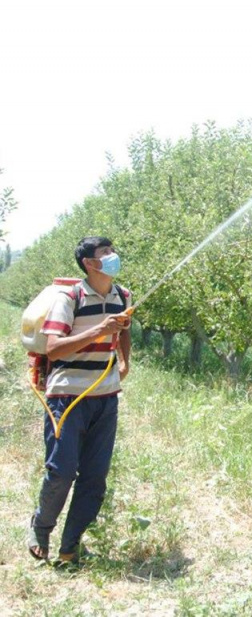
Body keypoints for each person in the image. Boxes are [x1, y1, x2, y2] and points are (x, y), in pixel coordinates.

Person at [27, 236, 132, 565]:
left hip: (106, 398)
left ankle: (70, 547)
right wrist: (99, 330)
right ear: (89, 263)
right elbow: (54, 348)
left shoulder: (123, 295)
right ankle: (41, 527)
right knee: (62, 471)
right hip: (68, 396)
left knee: (94, 477)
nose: (113, 256)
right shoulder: (69, 297)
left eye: (112, 251)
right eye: (106, 253)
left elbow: (124, 327)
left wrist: (125, 360)